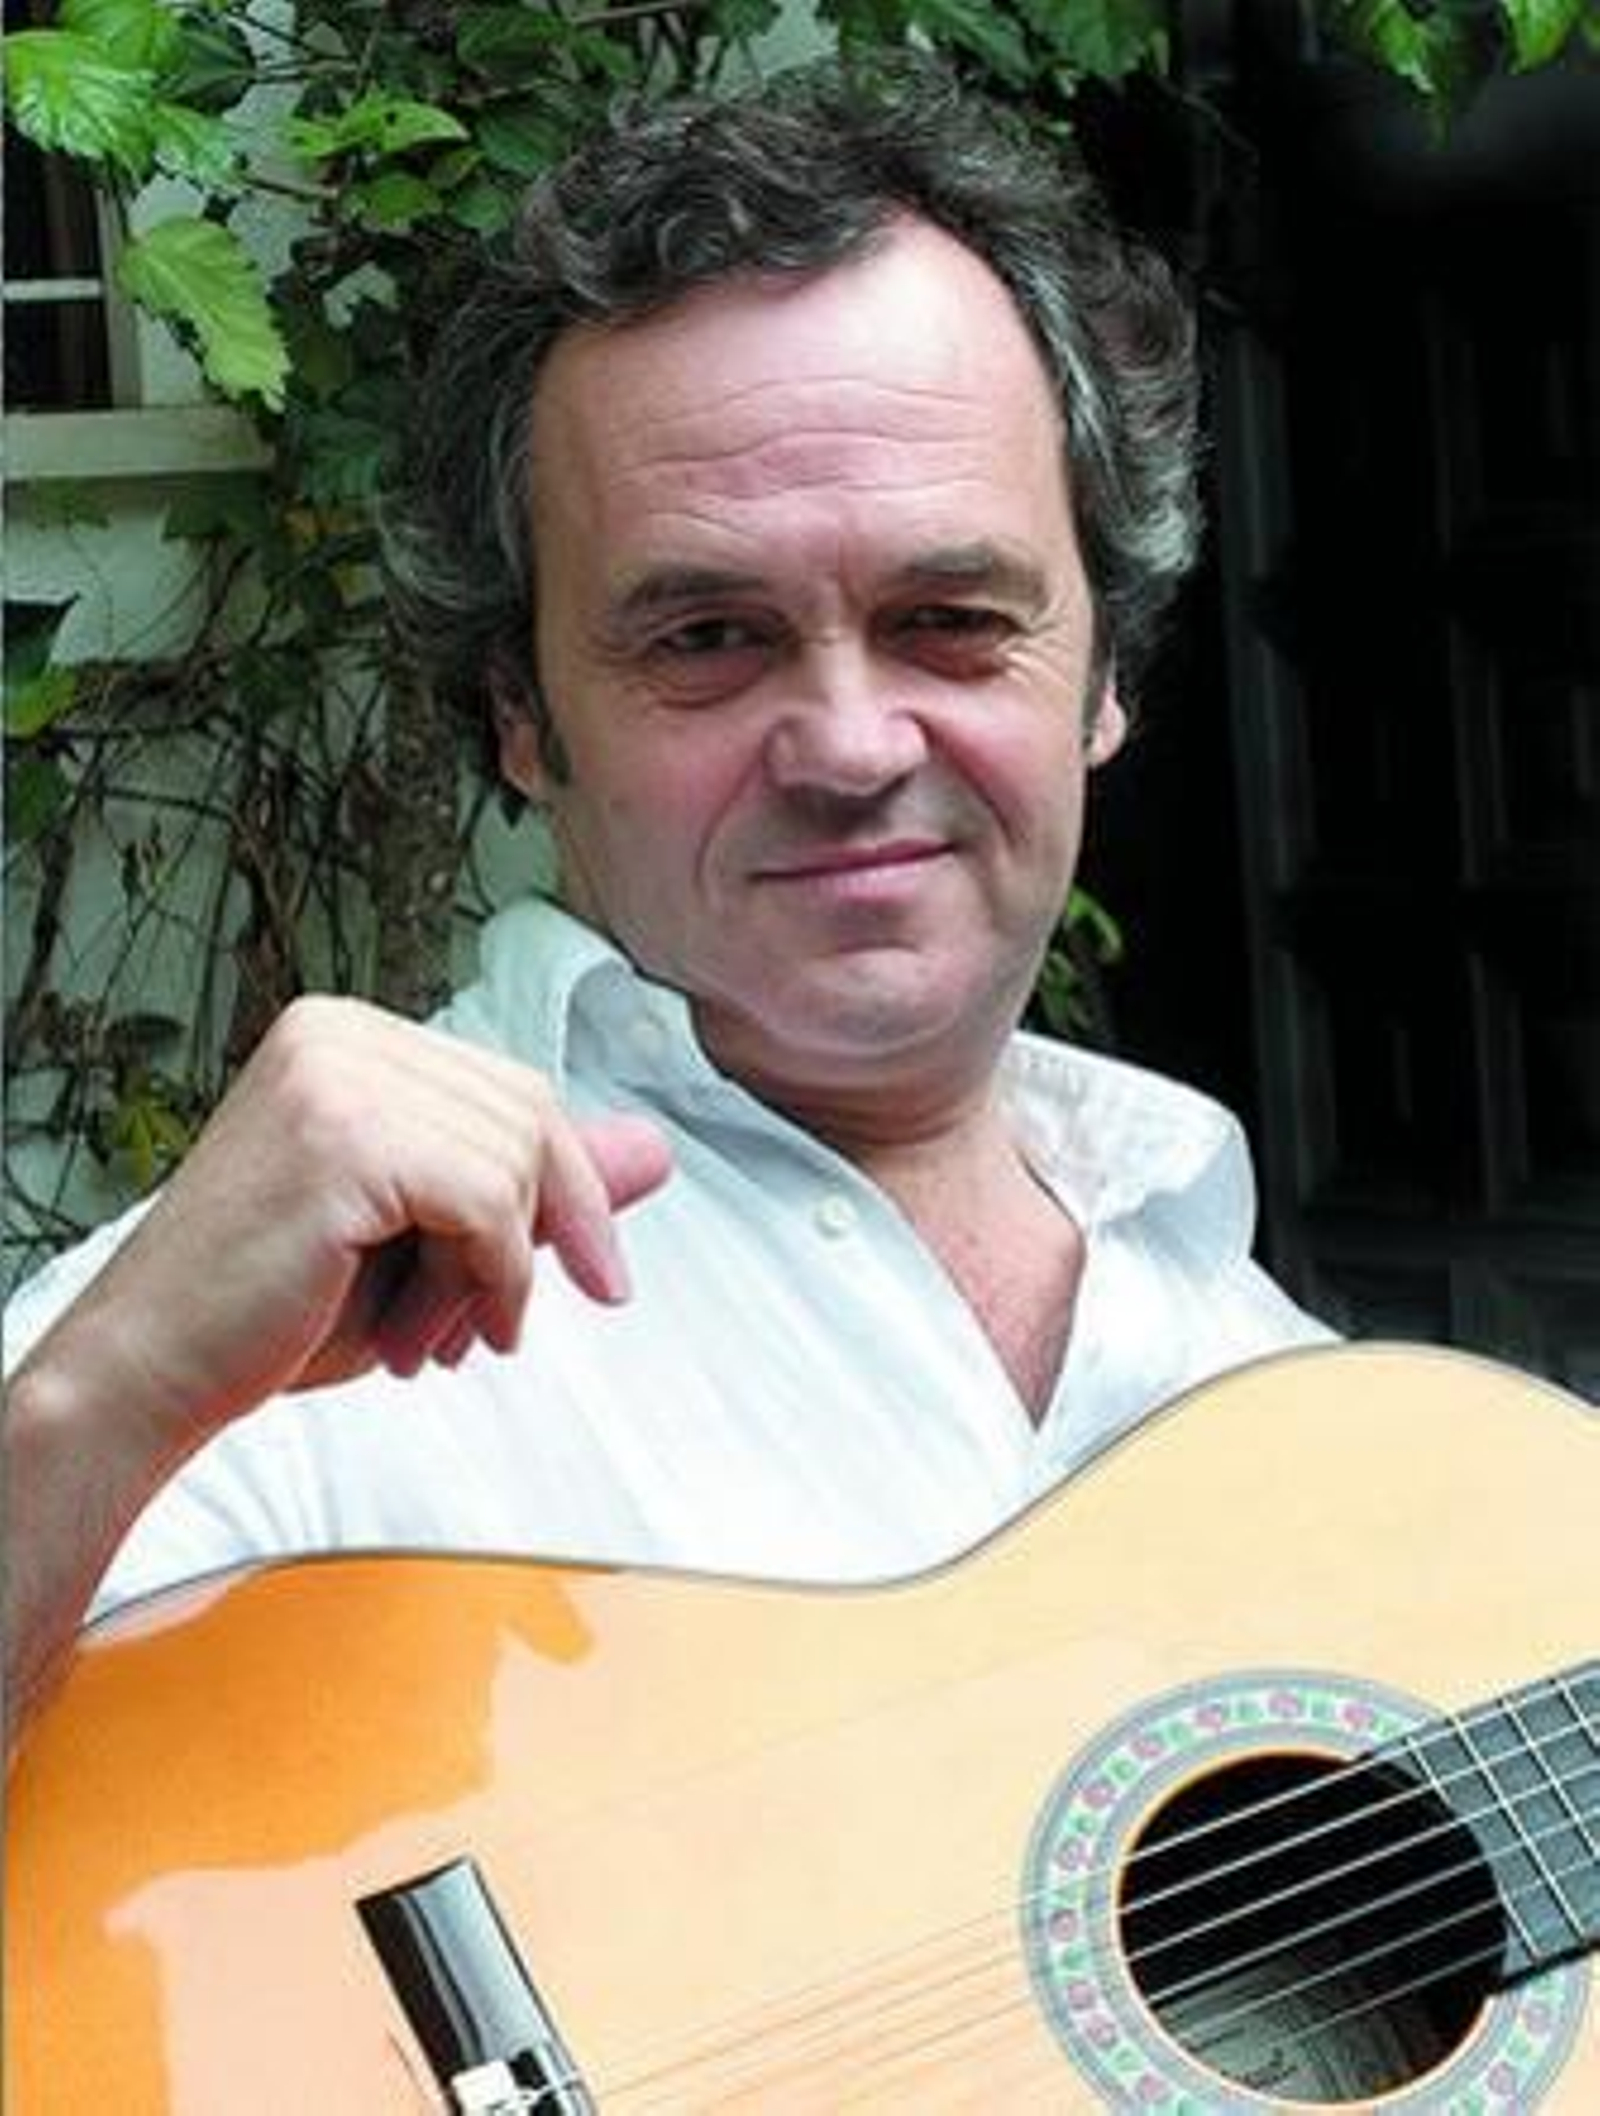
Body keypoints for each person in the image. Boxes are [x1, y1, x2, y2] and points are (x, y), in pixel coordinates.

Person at [4, 59, 1329, 1752]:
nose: (852, 746)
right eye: (706, 639)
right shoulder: (279, 1350)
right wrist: (99, 1398)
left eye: (950, 619)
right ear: (521, 714)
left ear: (1102, 675)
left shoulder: (1266, 1362)